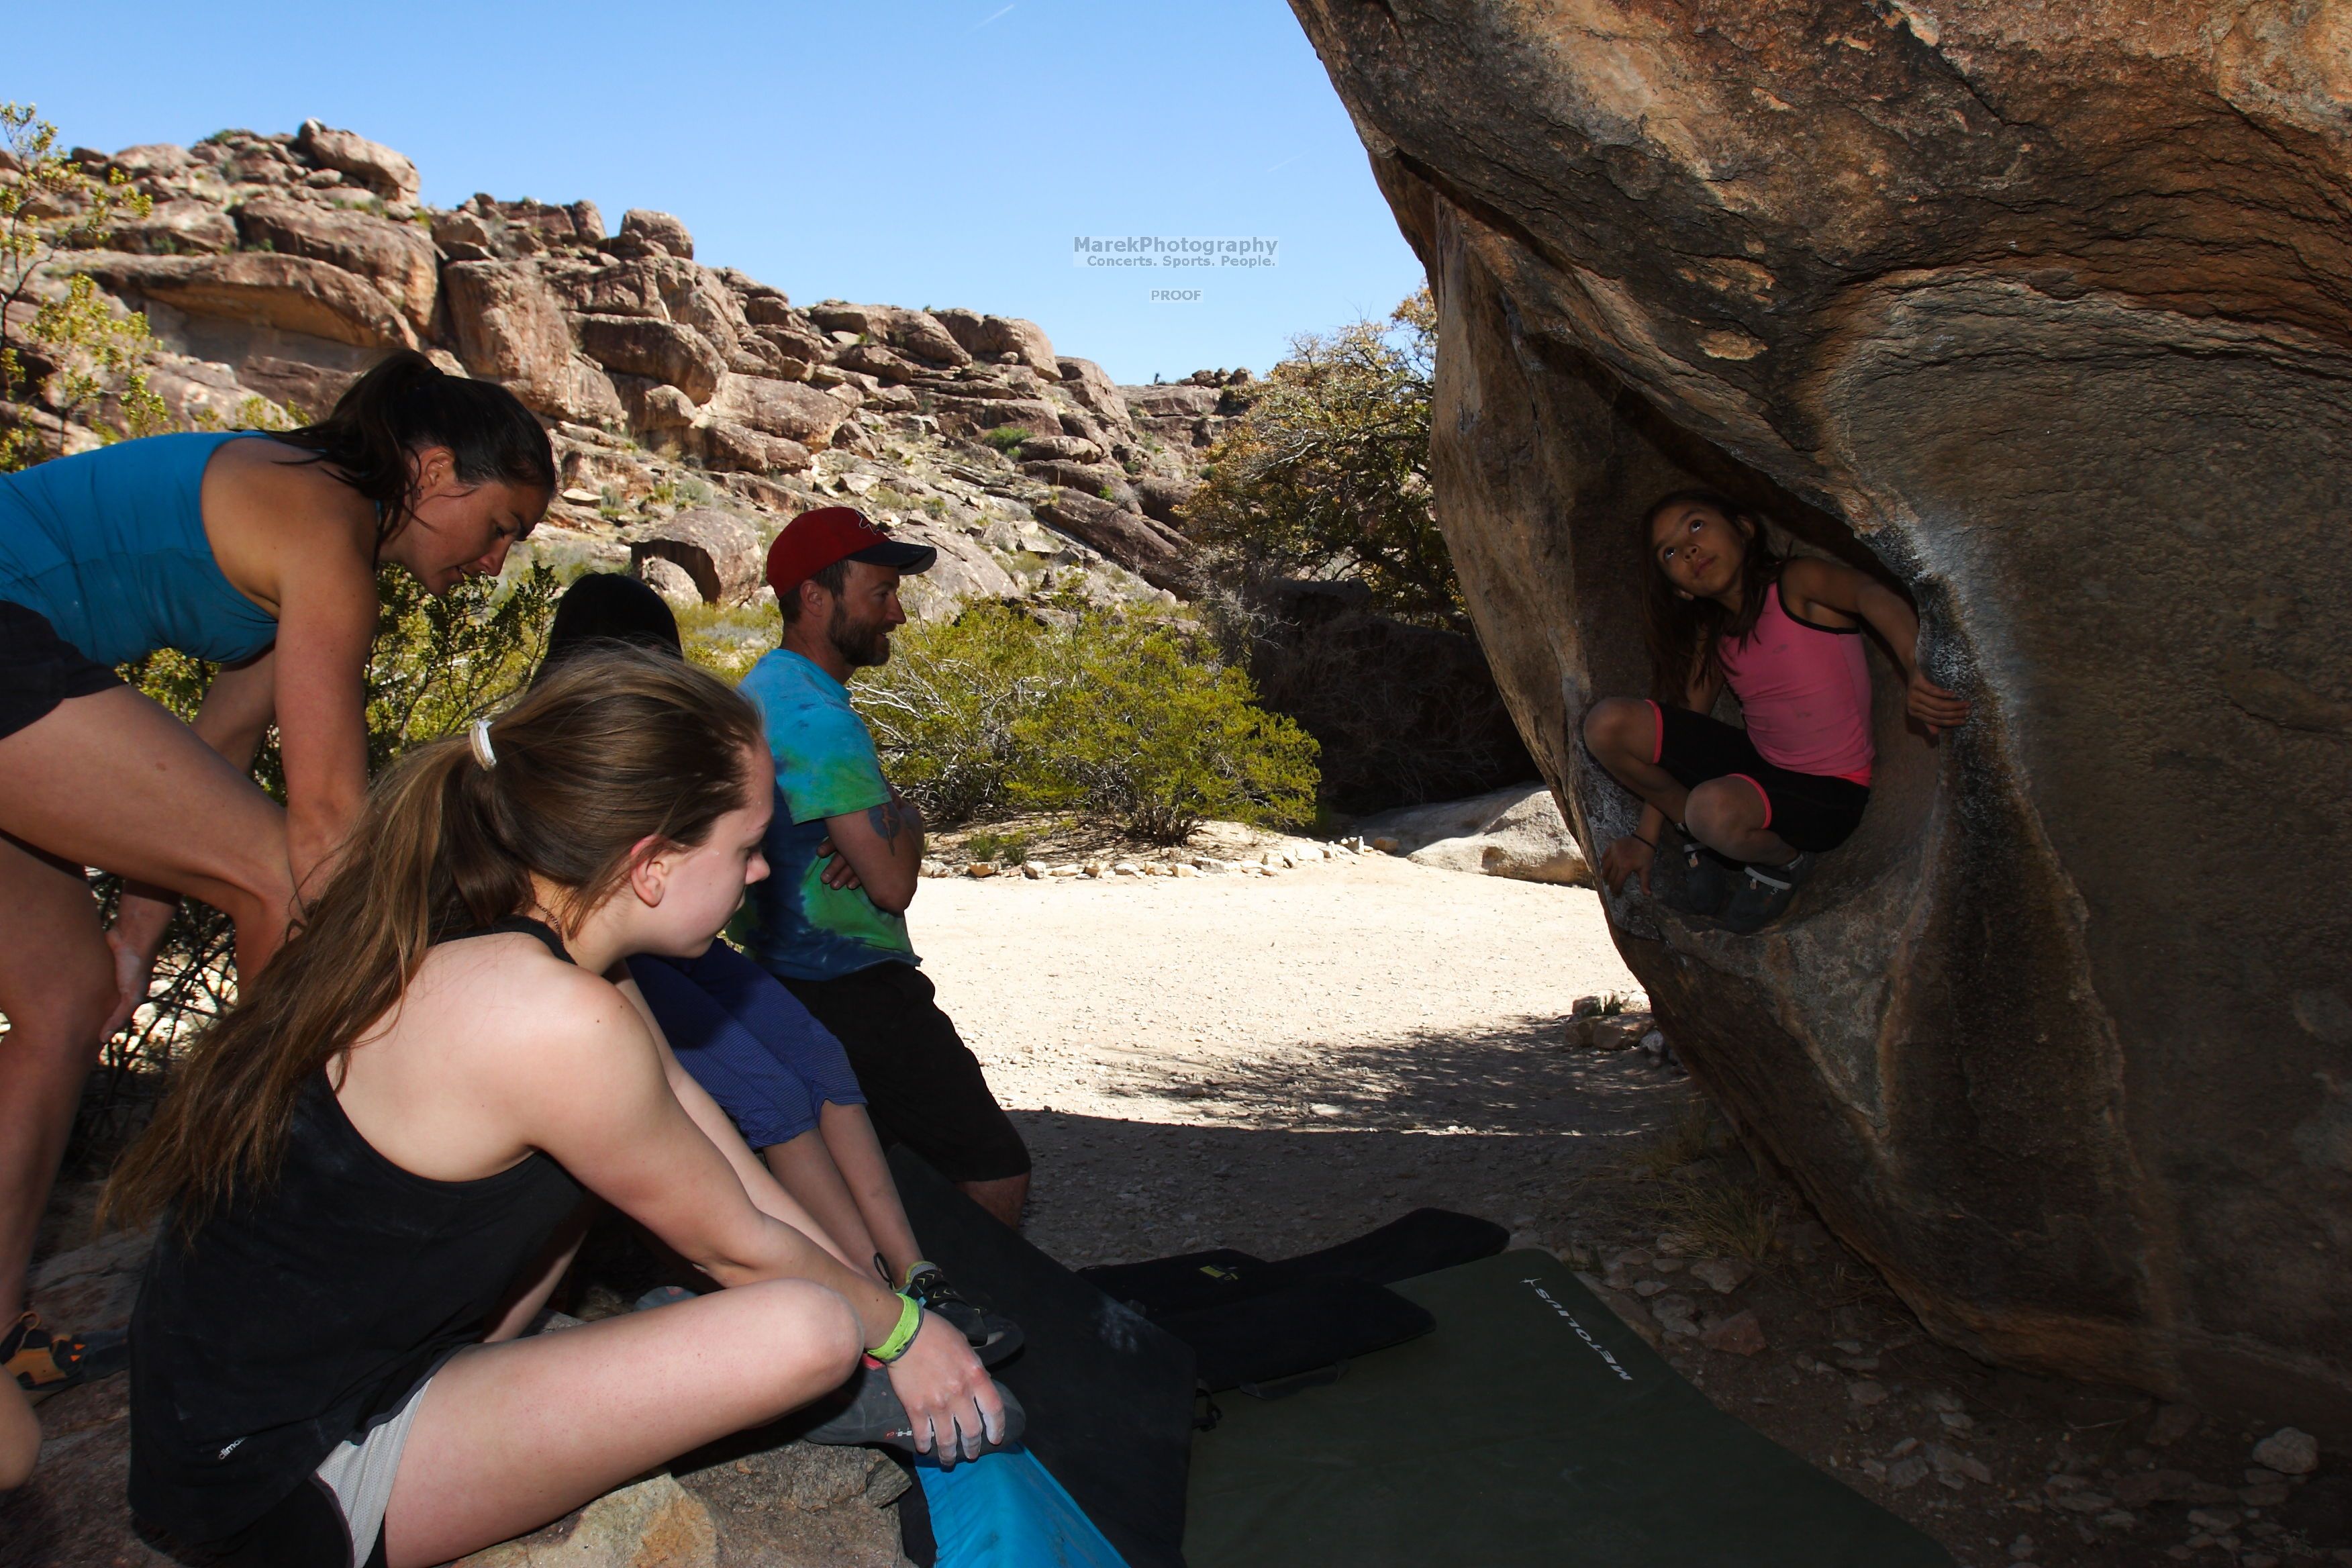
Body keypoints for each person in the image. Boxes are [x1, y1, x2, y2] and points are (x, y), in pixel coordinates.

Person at [105, 648, 1011, 1568]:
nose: (762, 876)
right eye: (744, 848)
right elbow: (724, 1240)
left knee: (777, 1275)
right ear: (651, 864)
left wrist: (877, 1306)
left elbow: (704, 1144)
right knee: (807, 1330)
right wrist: (897, 1332)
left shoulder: (537, 946)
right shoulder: (554, 1017)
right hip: (285, 1478)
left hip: (295, 1392)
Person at [0, 350, 554, 1397]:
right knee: (290, 879)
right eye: (502, 529)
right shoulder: (325, 526)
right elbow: (323, 833)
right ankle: (270, 1219)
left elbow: (200, 770)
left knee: (67, 999)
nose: (496, 565)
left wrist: (128, 945)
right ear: (435, 473)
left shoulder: (298, 537)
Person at [536, 575, 1019, 1359]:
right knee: (772, 1095)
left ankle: (910, 1271)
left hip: (671, 947)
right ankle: (863, 1291)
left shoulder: (700, 720)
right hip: (632, 951)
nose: (759, 868)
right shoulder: (582, 753)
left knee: (818, 1056)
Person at [740, 508, 1032, 1228]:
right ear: (815, 597)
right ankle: (952, 1326)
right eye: (880, 593)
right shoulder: (817, 719)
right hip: (856, 989)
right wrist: (907, 818)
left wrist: (887, 822)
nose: (897, 613)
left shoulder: (756, 693)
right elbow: (892, 883)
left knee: (865, 1183)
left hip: (777, 979)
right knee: (993, 1171)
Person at [1582, 489, 1971, 933]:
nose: (1689, 549)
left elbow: (1870, 594)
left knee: (1712, 810)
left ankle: (1783, 861)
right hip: (1761, 770)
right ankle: (1692, 826)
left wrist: (1917, 668)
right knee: (1608, 725)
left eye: (1696, 526)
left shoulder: (1796, 583)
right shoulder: (1718, 635)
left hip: (1828, 794)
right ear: (1680, 589)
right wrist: (1644, 837)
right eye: (1670, 552)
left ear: (1744, 529)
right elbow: (1685, 722)